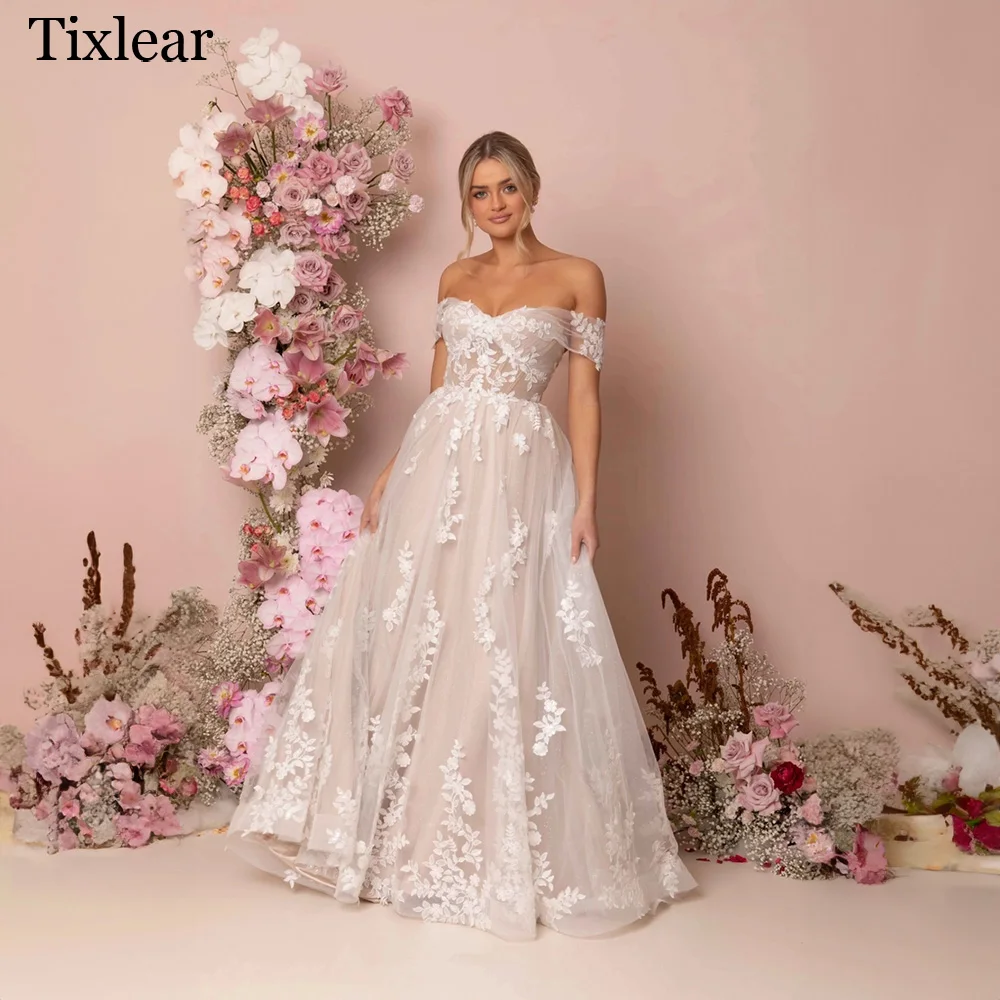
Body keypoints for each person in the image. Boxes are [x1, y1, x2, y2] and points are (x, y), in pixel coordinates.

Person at [225, 131, 696, 940]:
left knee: (502, 636)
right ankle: (402, 837)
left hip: (519, 471)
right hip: (438, 468)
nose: (495, 204)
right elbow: (439, 391)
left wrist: (587, 501)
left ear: (532, 189)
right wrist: (392, 470)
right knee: (425, 632)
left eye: (507, 187)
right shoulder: (454, 277)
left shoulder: (578, 276)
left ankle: (494, 840)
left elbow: (584, 398)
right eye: (480, 192)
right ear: (467, 202)